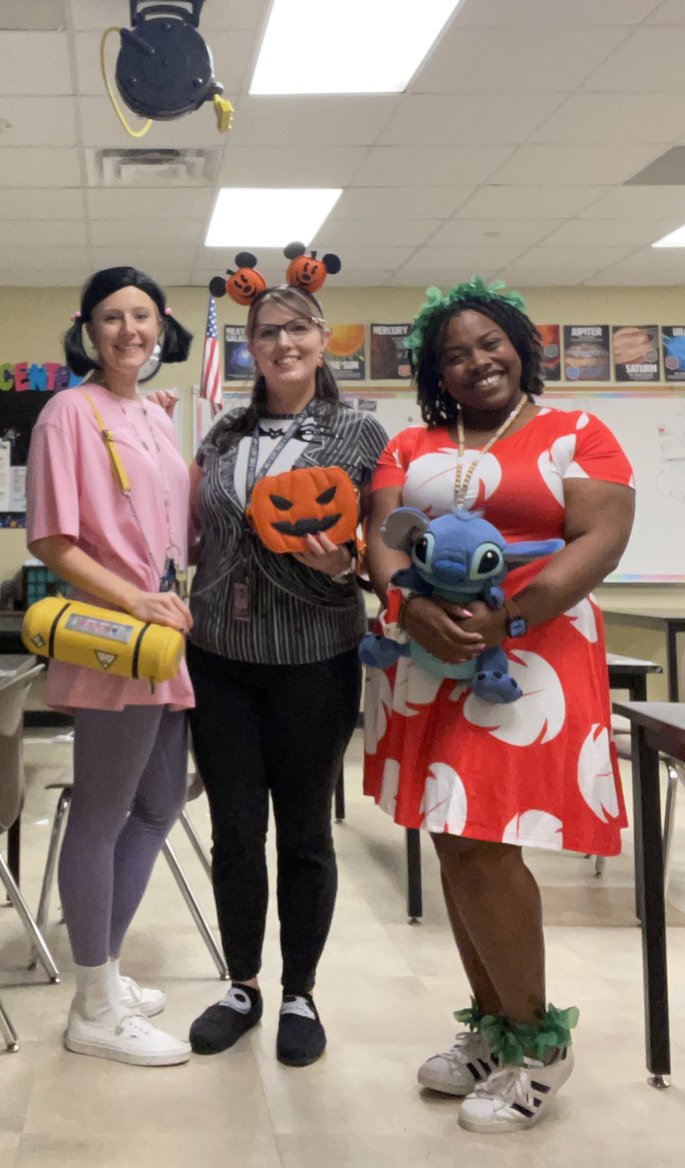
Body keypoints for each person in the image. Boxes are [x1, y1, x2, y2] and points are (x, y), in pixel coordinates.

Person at [363, 277, 635, 1132]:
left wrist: (508, 615)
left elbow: (601, 536)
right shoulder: (409, 442)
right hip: (428, 658)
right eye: (454, 353)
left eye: (489, 343)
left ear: (520, 344)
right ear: (434, 373)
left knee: (483, 845)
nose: (476, 361)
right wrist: (407, 608)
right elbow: (379, 536)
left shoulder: (576, 433)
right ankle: (491, 1029)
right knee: (452, 840)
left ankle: (538, 1042)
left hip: (532, 659)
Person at [186, 282, 388, 1066]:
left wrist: (351, 566)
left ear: (322, 336)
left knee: (304, 834)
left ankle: (300, 991)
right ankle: (242, 984)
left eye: (296, 328)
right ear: (250, 347)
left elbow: (386, 555)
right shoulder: (223, 434)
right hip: (220, 663)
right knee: (234, 832)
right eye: (265, 332)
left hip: (314, 660)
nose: (281, 343)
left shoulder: (360, 434)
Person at [25, 266, 195, 1068]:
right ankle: (92, 1005)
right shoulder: (68, 412)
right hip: (116, 638)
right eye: (112, 318)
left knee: (159, 808)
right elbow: (54, 542)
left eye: (142, 316)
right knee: (100, 815)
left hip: (163, 638)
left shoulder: (154, 416)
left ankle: (107, 974)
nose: (130, 330)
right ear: (87, 329)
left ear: (160, 325)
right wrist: (135, 600)